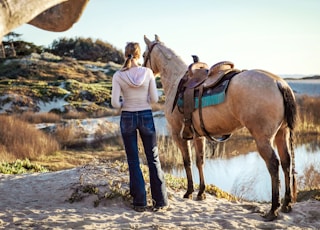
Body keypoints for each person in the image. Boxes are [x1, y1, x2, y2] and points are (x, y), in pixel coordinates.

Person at [111, 42, 168, 212]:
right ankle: (160, 202)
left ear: (125, 54)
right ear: (138, 55)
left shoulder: (118, 75)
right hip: (146, 116)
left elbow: (115, 103)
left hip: (127, 116)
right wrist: (142, 100)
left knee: (134, 160)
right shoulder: (148, 72)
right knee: (153, 158)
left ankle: (140, 202)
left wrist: (125, 102)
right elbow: (155, 99)